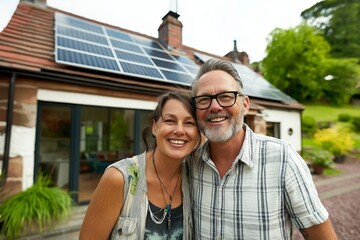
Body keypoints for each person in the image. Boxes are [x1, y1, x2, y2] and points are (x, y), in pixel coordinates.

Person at [188, 58, 337, 240]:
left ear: (245, 104)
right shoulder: (190, 163)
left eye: (226, 97)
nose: (215, 106)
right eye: (203, 99)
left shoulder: (283, 158)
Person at [79, 90, 200, 239]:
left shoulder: (195, 179)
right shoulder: (120, 179)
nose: (179, 130)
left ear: (198, 134)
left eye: (189, 123)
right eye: (170, 121)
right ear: (154, 127)